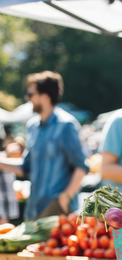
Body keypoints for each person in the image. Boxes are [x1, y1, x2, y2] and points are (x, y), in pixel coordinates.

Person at [0, 71, 87, 219]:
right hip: (33, 210)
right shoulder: (32, 126)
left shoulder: (66, 125)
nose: (27, 98)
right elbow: (25, 167)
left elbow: (81, 167)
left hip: (57, 211)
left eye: (30, 93)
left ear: (45, 97)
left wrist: (64, 199)